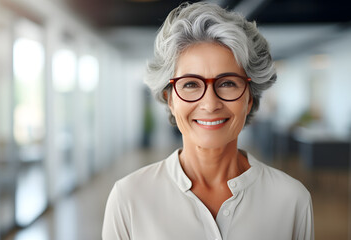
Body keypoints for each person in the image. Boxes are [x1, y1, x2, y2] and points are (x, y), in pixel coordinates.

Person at [102, 2, 314, 240]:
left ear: (250, 99)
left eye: (227, 83)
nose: (210, 104)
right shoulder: (128, 198)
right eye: (191, 84)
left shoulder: (291, 199)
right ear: (170, 100)